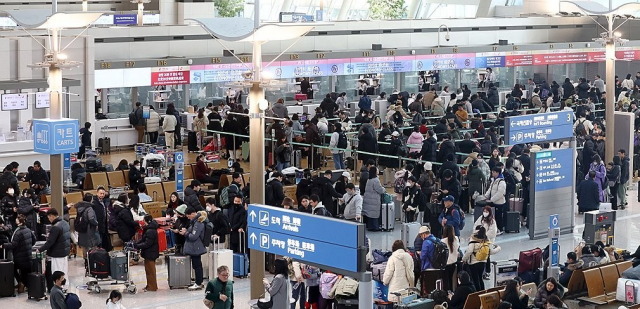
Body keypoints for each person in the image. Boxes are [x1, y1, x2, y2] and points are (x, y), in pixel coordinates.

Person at [0, 214, 35, 293]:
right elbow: (34, 240)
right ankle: (25, 284)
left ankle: (20, 282)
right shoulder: (28, 230)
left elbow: (13, 245)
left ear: (20, 222)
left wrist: (4, 245)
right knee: (26, 272)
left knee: (13, 268)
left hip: (20, 257)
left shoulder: (18, 233)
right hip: (28, 256)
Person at [37, 208, 70, 289]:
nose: (49, 220)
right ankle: (65, 286)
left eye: (49, 218)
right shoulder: (65, 223)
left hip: (57, 253)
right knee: (64, 271)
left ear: (51, 216)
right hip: (64, 252)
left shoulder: (55, 227)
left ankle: (60, 288)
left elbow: (50, 242)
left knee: (57, 272)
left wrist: (40, 249)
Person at [462, 226, 501, 291]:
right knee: (480, 278)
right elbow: (490, 251)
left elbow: (469, 251)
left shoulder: (473, 238)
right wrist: (498, 248)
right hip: (483, 262)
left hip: (473, 263)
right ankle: (482, 293)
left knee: (475, 279)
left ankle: (477, 294)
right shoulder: (486, 240)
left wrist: (464, 259)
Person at [181, 207, 207, 290]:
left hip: (196, 247)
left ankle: (198, 283)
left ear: (192, 214)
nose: (188, 218)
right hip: (195, 247)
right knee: (197, 265)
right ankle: (199, 281)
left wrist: (186, 233)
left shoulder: (198, 223)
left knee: (197, 265)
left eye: (188, 216)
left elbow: (193, 236)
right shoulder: (195, 222)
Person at [134, 215, 159, 292]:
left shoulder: (150, 231)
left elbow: (147, 243)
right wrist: (136, 244)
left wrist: (137, 246)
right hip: (149, 252)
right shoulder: (149, 229)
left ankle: (152, 287)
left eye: (144, 221)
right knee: (148, 270)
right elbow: (144, 239)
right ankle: (149, 285)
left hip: (150, 253)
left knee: (151, 271)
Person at [474, 205, 498, 279]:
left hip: (487, 242)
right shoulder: (480, 218)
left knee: (487, 256)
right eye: (484, 211)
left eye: (486, 211)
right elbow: (475, 226)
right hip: (479, 241)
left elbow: (493, 232)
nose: (485, 213)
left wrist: (483, 236)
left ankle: (487, 271)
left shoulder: (492, 221)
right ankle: (481, 272)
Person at [482, 167, 507, 233]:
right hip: (494, 202)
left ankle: (500, 229)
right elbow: (490, 190)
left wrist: (491, 200)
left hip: (499, 202)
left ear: (497, 173)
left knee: (499, 217)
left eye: (493, 172)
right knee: (494, 216)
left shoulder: (501, 182)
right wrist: (485, 197)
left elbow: (500, 193)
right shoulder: (494, 181)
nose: (492, 173)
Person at [363, 167, 386, 231]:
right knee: (374, 214)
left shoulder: (369, 179)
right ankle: (376, 227)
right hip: (374, 200)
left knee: (369, 214)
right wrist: (384, 189)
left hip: (368, 199)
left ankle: (370, 227)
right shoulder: (376, 180)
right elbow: (379, 190)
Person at [441, 224, 460, 291]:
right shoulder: (456, 239)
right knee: (451, 279)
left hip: (446, 264)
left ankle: (447, 295)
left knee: (445, 282)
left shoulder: (442, 241)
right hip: (454, 263)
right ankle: (451, 292)